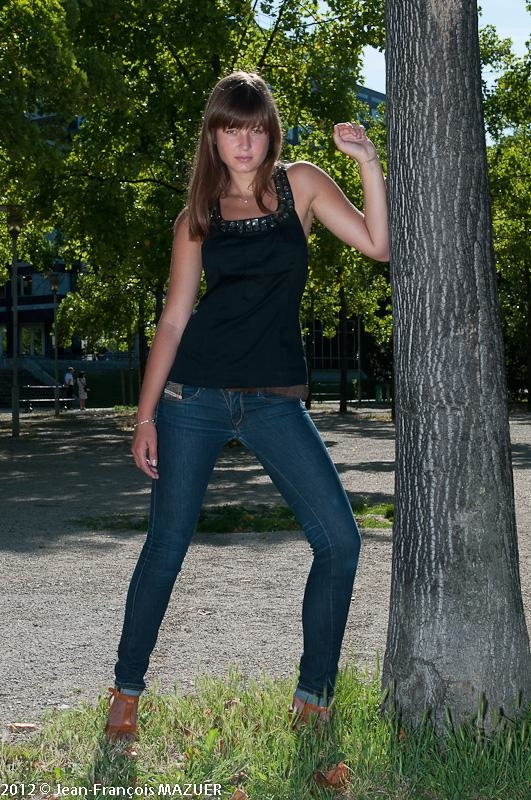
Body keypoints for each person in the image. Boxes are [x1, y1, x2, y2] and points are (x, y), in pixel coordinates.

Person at [105, 71, 389, 741]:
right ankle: (125, 691)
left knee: (340, 540)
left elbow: (379, 246)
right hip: (193, 398)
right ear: (213, 136)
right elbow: (174, 320)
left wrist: (367, 162)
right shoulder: (197, 218)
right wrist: (144, 416)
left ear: (271, 134)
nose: (244, 142)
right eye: (231, 129)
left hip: (273, 400)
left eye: (255, 128)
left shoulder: (302, 184)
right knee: (166, 546)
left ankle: (313, 697)